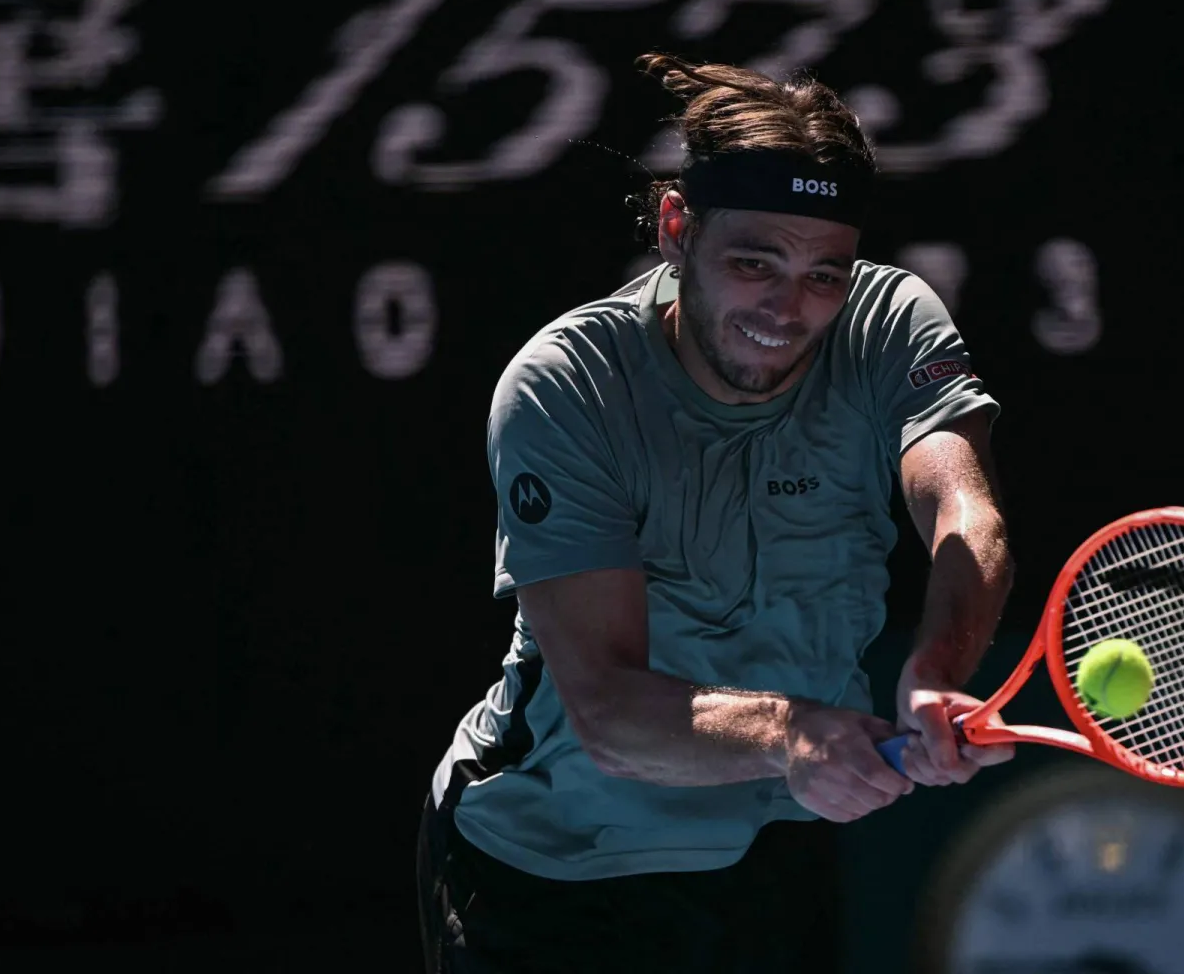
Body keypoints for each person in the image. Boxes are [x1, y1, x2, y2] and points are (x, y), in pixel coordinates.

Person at [417, 53, 1016, 974]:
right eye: (753, 263)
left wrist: (936, 669)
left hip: (773, 850)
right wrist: (793, 733)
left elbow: (965, 515)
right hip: (553, 874)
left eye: (825, 273)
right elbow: (610, 713)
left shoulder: (890, 322)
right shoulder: (569, 386)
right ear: (675, 230)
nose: (788, 308)